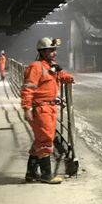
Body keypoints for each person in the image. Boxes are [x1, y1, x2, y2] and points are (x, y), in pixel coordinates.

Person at [21, 37, 74, 184]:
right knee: (45, 140)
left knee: (40, 140)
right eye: (51, 50)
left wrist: (67, 77)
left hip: (49, 108)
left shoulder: (51, 65)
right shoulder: (36, 67)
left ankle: (31, 174)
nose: (54, 53)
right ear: (43, 52)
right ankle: (46, 175)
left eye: (54, 50)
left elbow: (59, 75)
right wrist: (27, 108)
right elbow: (28, 89)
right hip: (41, 108)